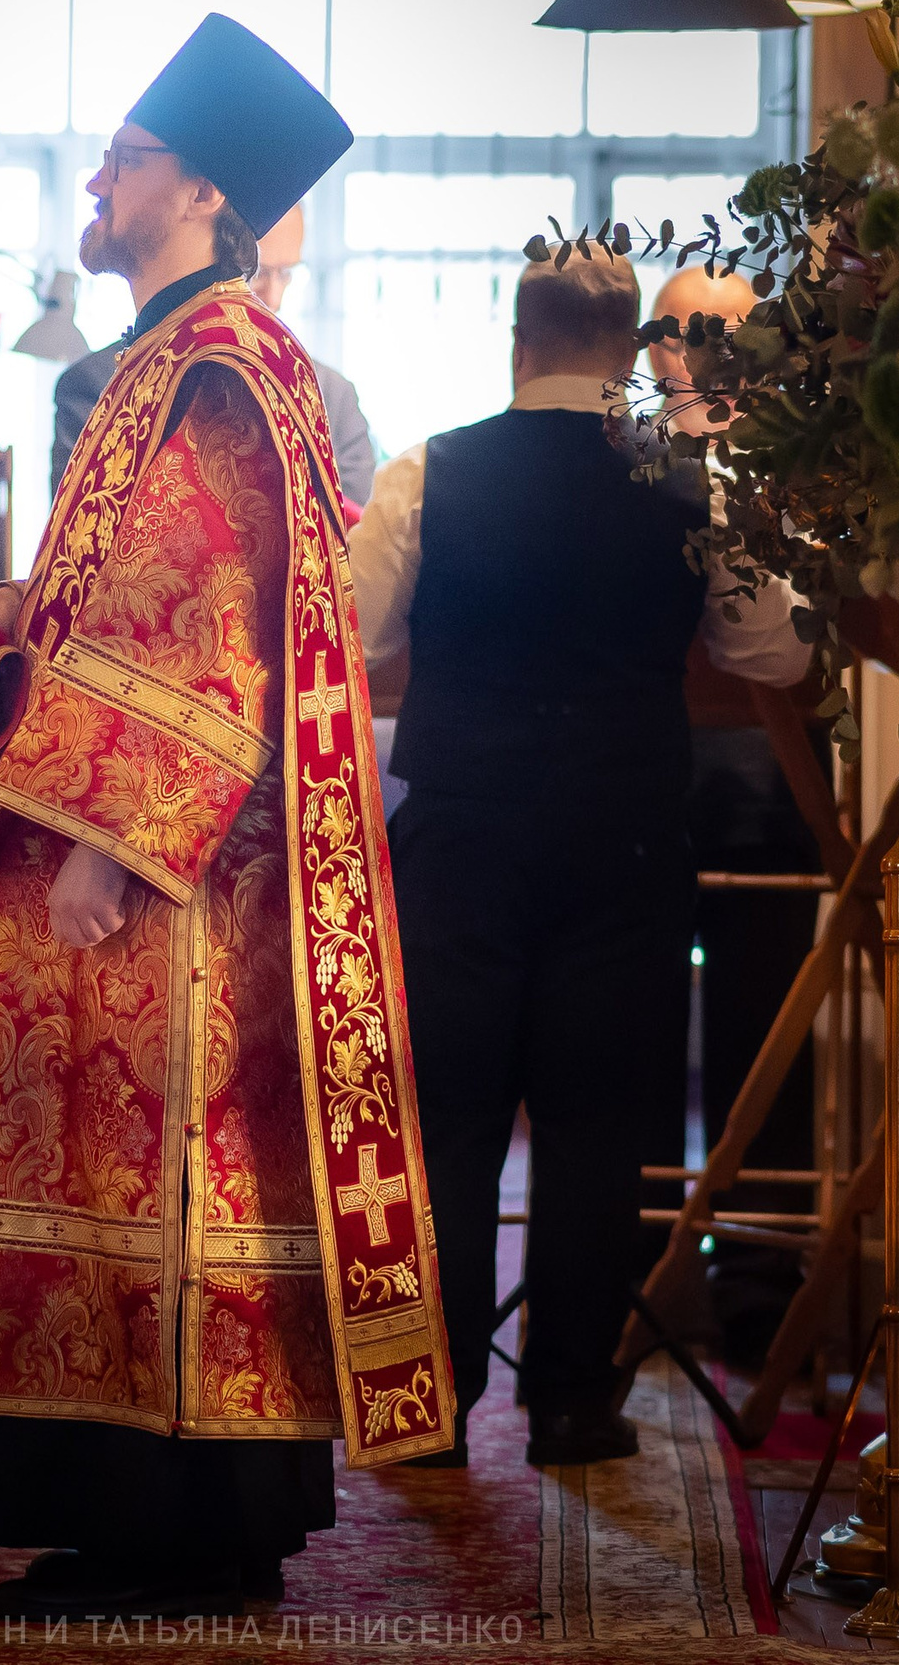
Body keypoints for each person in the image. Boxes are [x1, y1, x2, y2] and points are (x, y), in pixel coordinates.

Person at [0, 14, 453, 1621]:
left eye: (122, 159)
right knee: (103, 1179)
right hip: (118, 846)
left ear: (199, 194)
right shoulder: (174, 359)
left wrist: (119, 840)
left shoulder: (216, 370)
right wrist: (32, 609)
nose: (96, 181)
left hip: (147, 879)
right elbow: (137, 595)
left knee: (157, 1184)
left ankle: (170, 1528)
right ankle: (155, 1524)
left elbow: (214, 634)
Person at [347, 247, 810, 1467]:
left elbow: (353, 633)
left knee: (447, 1115)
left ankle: (432, 1407)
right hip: (624, 826)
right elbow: (771, 654)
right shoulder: (692, 482)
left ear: (518, 340)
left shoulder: (426, 471)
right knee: (601, 1119)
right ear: (625, 357)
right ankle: (569, 1401)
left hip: (462, 825)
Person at [647, 264, 826, 1366]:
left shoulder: (796, 462)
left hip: (773, 770)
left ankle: (759, 1282)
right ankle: (641, 1271)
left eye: (707, 335)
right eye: (667, 332)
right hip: (648, 769)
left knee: (770, 1037)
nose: (683, 353)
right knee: (637, 1035)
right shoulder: (622, 457)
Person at [55, 203, 376, 507]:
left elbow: (352, 543)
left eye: (287, 273)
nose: (274, 297)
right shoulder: (96, 385)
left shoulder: (331, 396)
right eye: (260, 273)